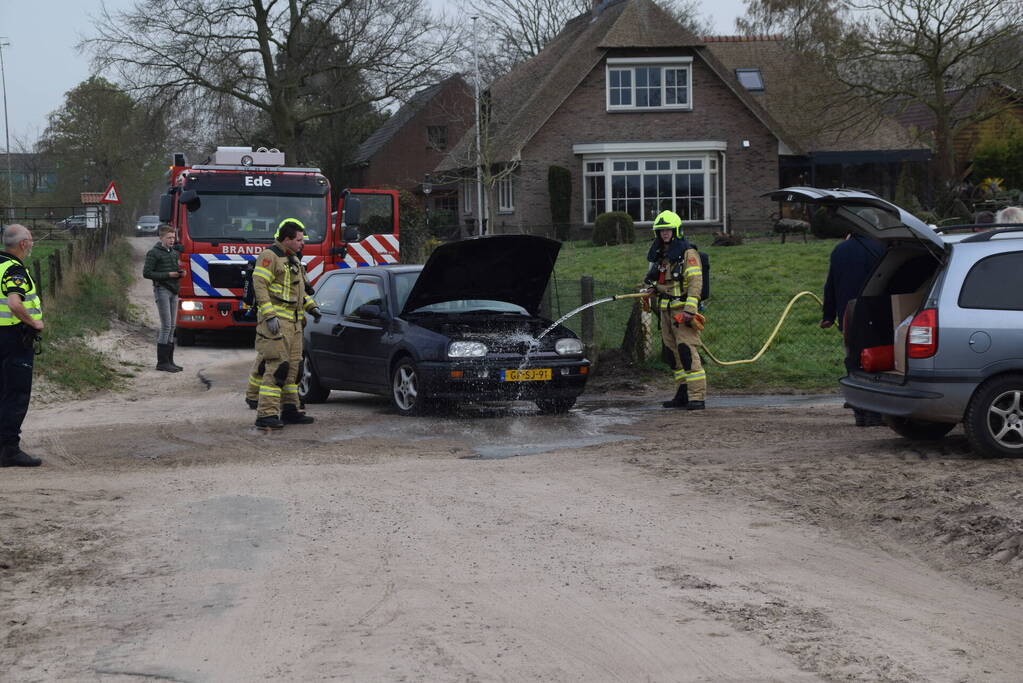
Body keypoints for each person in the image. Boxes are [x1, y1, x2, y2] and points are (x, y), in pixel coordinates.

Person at [250, 219, 321, 429]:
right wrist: (269, 315)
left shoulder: (293, 259)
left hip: (295, 323)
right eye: (298, 240)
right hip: (277, 323)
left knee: (294, 368)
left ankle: (290, 409)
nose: (302, 244)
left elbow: (299, 292)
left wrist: (312, 308)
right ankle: (266, 415)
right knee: (278, 367)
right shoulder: (269, 256)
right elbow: (260, 286)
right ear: (287, 239)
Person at [644, 210, 706, 410]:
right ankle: (682, 393)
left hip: (682, 312)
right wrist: (653, 289)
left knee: (687, 351)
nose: (665, 234)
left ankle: (697, 397)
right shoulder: (662, 255)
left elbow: (696, 281)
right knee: (673, 354)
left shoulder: (688, 253)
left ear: (676, 230)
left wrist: (690, 309)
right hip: (665, 311)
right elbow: (663, 281)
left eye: (668, 230)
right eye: (661, 230)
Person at [820, 233, 884, 426]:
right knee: (875, 362)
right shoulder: (880, 249)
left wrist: (828, 315)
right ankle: (875, 413)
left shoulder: (840, 250)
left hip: (848, 314)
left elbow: (831, 284)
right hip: (875, 314)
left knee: (854, 360)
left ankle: (859, 411)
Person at [0, 224, 44, 467]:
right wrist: (35, 322)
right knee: (16, 394)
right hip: (14, 338)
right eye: (31, 240)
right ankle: (9, 450)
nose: (32, 244)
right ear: (23, 244)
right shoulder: (14, 269)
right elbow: (15, 304)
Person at [143, 225, 184, 372]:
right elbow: (146, 273)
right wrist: (168, 275)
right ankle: (162, 362)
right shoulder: (153, 253)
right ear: (161, 238)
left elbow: (172, 270)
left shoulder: (173, 253)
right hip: (162, 290)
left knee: (172, 326)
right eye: (169, 238)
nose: (172, 240)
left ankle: (170, 361)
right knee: (166, 325)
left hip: (174, 290)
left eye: (173, 237)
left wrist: (179, 274)